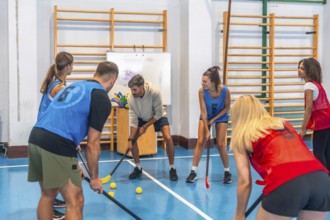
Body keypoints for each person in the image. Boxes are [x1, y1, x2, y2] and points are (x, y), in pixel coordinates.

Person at [28, 61, 119, 220]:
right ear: (113, 80)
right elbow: (93, 144)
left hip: (36, 137)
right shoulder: (100, 97)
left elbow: (61, 120)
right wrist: (95, 177)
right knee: (75, 201)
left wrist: (73, 162)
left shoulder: (74, 86)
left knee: (48, 195)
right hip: (57, 144)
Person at [230, 95, 330, 220]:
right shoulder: (283, 124)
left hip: (286, 182)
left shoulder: (242, 137)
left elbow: (244, 182)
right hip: (321, 180)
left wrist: (239, 214)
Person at [38, 51, 73, 220]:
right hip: (49, 135)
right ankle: (49, 208)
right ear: (67, 67)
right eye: (72, 65)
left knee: (49, 182)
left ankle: (51, 202)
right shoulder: (59, 88)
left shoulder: (55, 83)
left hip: (43, 134)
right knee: (55, 180)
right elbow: (64, 115)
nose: (73, 67)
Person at [126, 74, 178, 181]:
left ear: (142, 87)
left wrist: (145, 126)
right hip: (141, 116)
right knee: (133, 141)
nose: (132, 92)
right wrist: (131, 139)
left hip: (157, 115)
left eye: (135, 89)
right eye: (131, 90)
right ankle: (138, 168)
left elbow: (158, 113)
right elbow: (133, 119)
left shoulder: (154, 92)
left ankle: (172, 168)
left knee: (168, 138)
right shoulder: (131, 99)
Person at [186, 66, 232, 184]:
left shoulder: (225, 91)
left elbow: (227, 107)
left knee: (221, 144)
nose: (202, 83)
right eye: (202, 80)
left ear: (213, 82)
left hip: (221, 116)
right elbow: (203, 111)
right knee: (201, 141)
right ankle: (193, 172)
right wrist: (207, 130)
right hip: (206, 115)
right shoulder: (202, 91)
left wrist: (215, 119)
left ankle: (227, 172)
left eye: (205, 81)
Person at [298, 57, 330, 172]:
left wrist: (303, 128)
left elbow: (309, 108)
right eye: (299, 68)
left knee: (318, 152)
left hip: (322, 123)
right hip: (327, 121)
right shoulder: (317, 84)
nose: (299, 70)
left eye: (302, 68)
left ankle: (324, 178)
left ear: (309, 70)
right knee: (326, 151)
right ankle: (327, 178)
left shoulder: (308, 86)